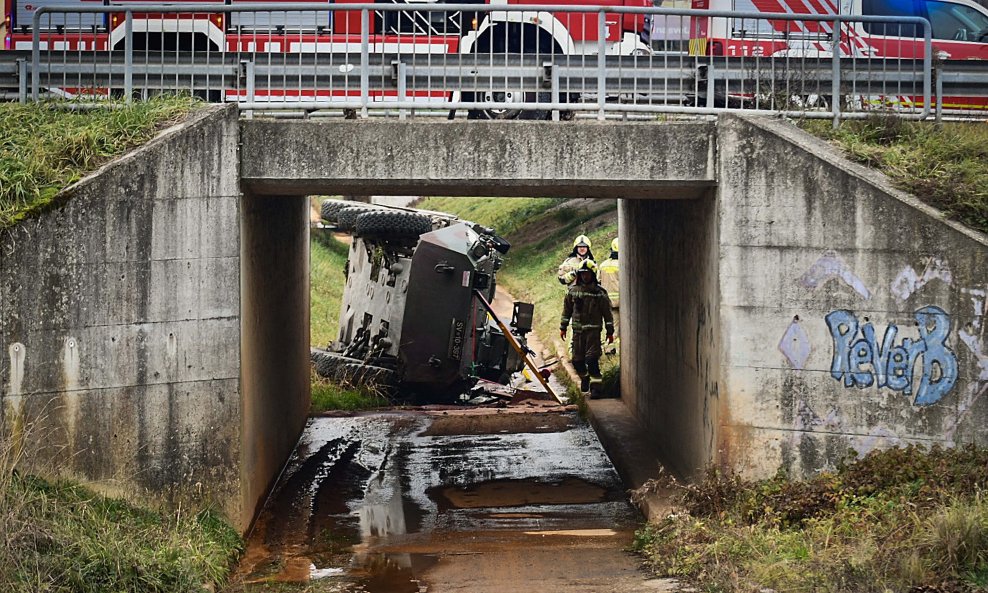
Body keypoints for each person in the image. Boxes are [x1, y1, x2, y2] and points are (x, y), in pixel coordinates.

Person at [559, 259, 615, 395]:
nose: (585, 276)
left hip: (593, 332)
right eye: (583, 273)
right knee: (577, 361)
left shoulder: (600, 293)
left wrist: (610, 331)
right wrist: (563, 327)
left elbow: (607, 313)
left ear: (593, 275)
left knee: (592, 360)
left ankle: (596, 389)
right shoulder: (572, 292)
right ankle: (584, 378)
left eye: (588, 274)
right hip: (578, 332)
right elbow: (567, 310)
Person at [598, 237, 619, 308]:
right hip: (621, 303)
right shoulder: (625, 265)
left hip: (605, 303)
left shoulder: (603, 265)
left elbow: (598, 282)